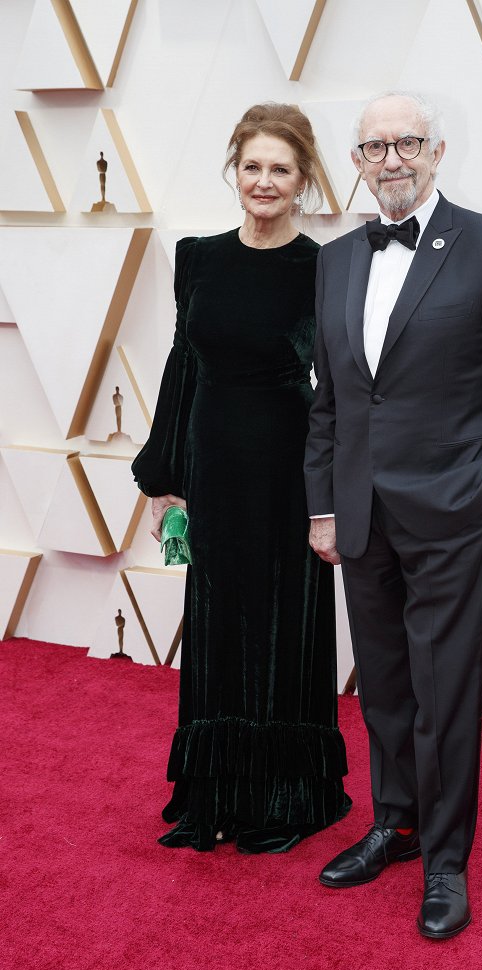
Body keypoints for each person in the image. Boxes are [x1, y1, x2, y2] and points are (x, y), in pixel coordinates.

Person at [305, 92, 482, 938]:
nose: (391, 159)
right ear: (356, 162)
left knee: (443, 695)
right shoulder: (337, 259)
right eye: (374, 146)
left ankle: (445, 861)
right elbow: (330, 401)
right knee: (382, 688)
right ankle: (394, 825)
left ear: (437, 150)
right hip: (359, 514)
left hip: (450, 512)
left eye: (406, 142)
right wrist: (322, 505)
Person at [132, 103, 351, 855]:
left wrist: (331, 496)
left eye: (279, 170)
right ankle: (213, 795)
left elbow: (342, 386)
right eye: (251, 166)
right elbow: (181, 363)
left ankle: (280, 799)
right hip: (211, 462)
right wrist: (163, 474)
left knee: (282, 625)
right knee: (219, 624)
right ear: (236, 171)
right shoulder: (196, 256)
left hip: (287, 468)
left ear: (303, 182)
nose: (263, 181)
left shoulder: (322, 266)